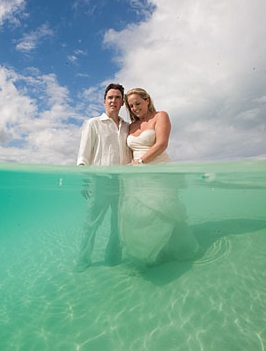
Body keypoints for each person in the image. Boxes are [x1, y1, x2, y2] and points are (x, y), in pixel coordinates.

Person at [118, 88, 198, 265]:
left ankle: (171, 251)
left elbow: (162, 144)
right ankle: (150, 255)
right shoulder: (130, 126)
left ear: (147, 100)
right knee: (139, 216)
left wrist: (139, 163)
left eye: (138, 103)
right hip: (137, 179)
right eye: (131, 106)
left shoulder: (161, 116)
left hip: (159, 172)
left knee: (162, 212)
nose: (135, 108)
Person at [73, 83, 131, 272]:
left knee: (118, 223)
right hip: (99, 181)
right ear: (104, 101)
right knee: (92, 223)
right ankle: (83, 260)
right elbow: (83, 156)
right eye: (110, 97)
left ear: (122, 102)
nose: (113, 101)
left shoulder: (127, 127)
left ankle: (113, 257)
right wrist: (86, 181)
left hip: (122, 182)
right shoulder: (93, 123)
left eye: (117, 97)